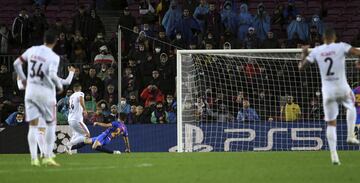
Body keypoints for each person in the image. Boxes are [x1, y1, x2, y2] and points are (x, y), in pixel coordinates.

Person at [298, 27, 360, 165]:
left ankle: (334, 155)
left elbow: (301, 67)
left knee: (331, 123)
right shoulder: (341, 46)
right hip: (342, 87)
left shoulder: (317, 51)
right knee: (351, 106)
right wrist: (358, 62)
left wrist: (304, 53)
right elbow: (357, 52)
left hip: (328, 91)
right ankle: (350, 135)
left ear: (323, 38)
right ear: (335, 37)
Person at [13, 29, 63, 166]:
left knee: (33, 127)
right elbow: (52, 75)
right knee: (51, 125)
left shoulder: (32, 50)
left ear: (44, 39)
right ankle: (47, 156)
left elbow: (16, 64)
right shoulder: (54, 57)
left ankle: (34, 159)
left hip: (30, 92)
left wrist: (24, 79)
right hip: (45, 93)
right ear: (55, 41)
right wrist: (59, 86)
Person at [64, 83, 90, 154]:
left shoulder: (71, 96)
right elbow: (81, 100)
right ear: (80, 88)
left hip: (70, 119)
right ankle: (69, 144)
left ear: (73, 89)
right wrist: (84, 109)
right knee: (87, 135)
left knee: (76, 134)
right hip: (77, 119)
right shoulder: (80, 93)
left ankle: (68, 148)